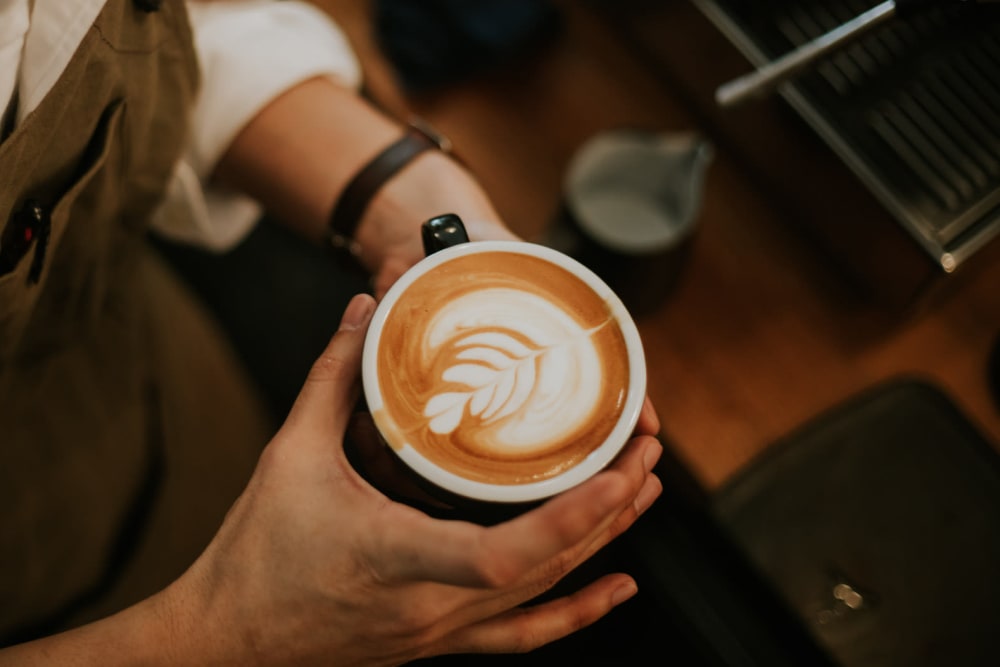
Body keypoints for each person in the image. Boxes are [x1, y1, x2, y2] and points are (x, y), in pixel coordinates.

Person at [0, 0, 663, 663]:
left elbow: (167, 25)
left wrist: (408, 204)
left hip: (126, 349)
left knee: (211, 472)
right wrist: (228, 632)